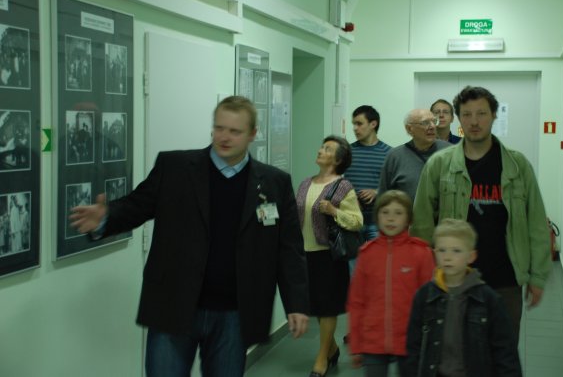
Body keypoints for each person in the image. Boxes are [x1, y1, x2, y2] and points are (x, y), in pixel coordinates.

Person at [69, 96, 309, 377]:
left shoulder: (274, 182)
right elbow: (137, 205)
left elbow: (288, 249)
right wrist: (106, 217)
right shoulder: (176, 167)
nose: (224, 137)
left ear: (253, 134)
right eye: (219, 128)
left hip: (235, 314)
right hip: (174, 304)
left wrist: (296, 304)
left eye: (235, 131)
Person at [411, 86, 550, 339]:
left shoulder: (517, 166)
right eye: (467, 114)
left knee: (502, 350)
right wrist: (427, 273)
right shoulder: (439, 164)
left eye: (481, 113)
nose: (474, 121)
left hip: (506, 281)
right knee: (455, 350)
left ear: (494, 115)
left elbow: (537, 223)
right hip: (454, 280)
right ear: (459, 118)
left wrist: (538, 277)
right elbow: (422, 224)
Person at [405, 218, 522, 377]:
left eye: (456, 251)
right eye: (442, 250)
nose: (447, 257)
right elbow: (413, 348)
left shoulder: (489, 300)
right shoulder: (424, 297)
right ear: (434, 253)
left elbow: (505, 352)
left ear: (471, 256)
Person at [347, 190, 435, 377]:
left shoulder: (421, 253)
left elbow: (430, 302)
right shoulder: (367, 254)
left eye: (398, 213)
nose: (391, 218)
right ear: (377, 216)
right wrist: (356, 344)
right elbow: (356, 302)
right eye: (385, 212)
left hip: (410, 340)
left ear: (408, 219)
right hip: (373, 341)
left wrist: (429, 343)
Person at [296, 135, 363, 377]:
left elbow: (357, 221)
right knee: (314, 306)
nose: (320, 150)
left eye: (327, 149)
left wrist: (334, 211)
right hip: (304, 255)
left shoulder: (343, 187)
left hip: (328, 257)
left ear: (338, 159)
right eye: (322, 146)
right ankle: (332, 349)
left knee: (327, 309)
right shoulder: (305, 183)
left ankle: (321, 358)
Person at [378, 108, 451, 201]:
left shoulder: (449, 151)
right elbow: (383, 198)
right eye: (425, 123)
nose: (432, 126)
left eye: (434, 121)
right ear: (409, 129)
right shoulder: (395, 157)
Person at [343, 105, 392, 244]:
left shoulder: (389, 153)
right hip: (351, 218)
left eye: (359, 124)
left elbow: (395, 185)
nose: (355, 128)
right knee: (352, 259)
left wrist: (377, 192)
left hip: (378, 220)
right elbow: (336, 182)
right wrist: (350, 198)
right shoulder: (347, 152)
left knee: (377, 258)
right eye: (354, 124)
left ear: (373, 124)